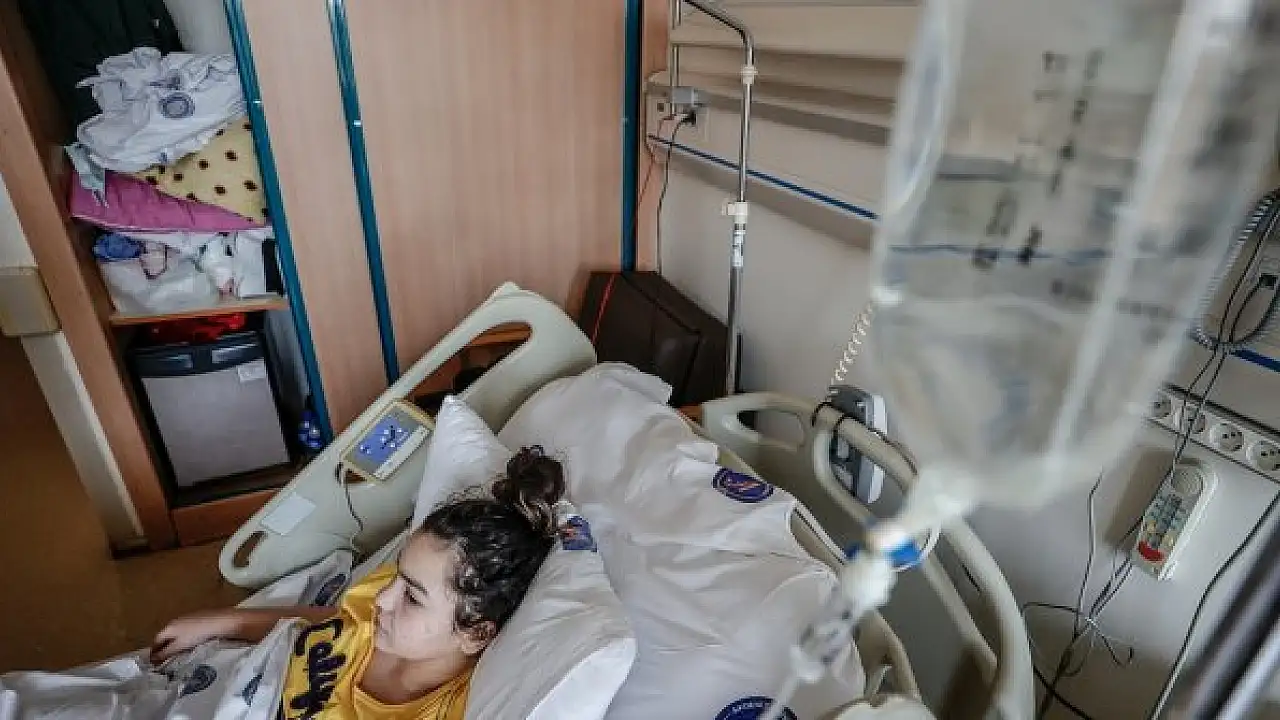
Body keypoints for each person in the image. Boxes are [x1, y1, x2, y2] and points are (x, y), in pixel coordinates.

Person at [151, 446, 566, 719]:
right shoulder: (389, 615)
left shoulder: (440, 710)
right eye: (397, 576)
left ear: (475, 633)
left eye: (413, 597)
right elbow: (332, 619)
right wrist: (223, 622)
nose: (383, 597)